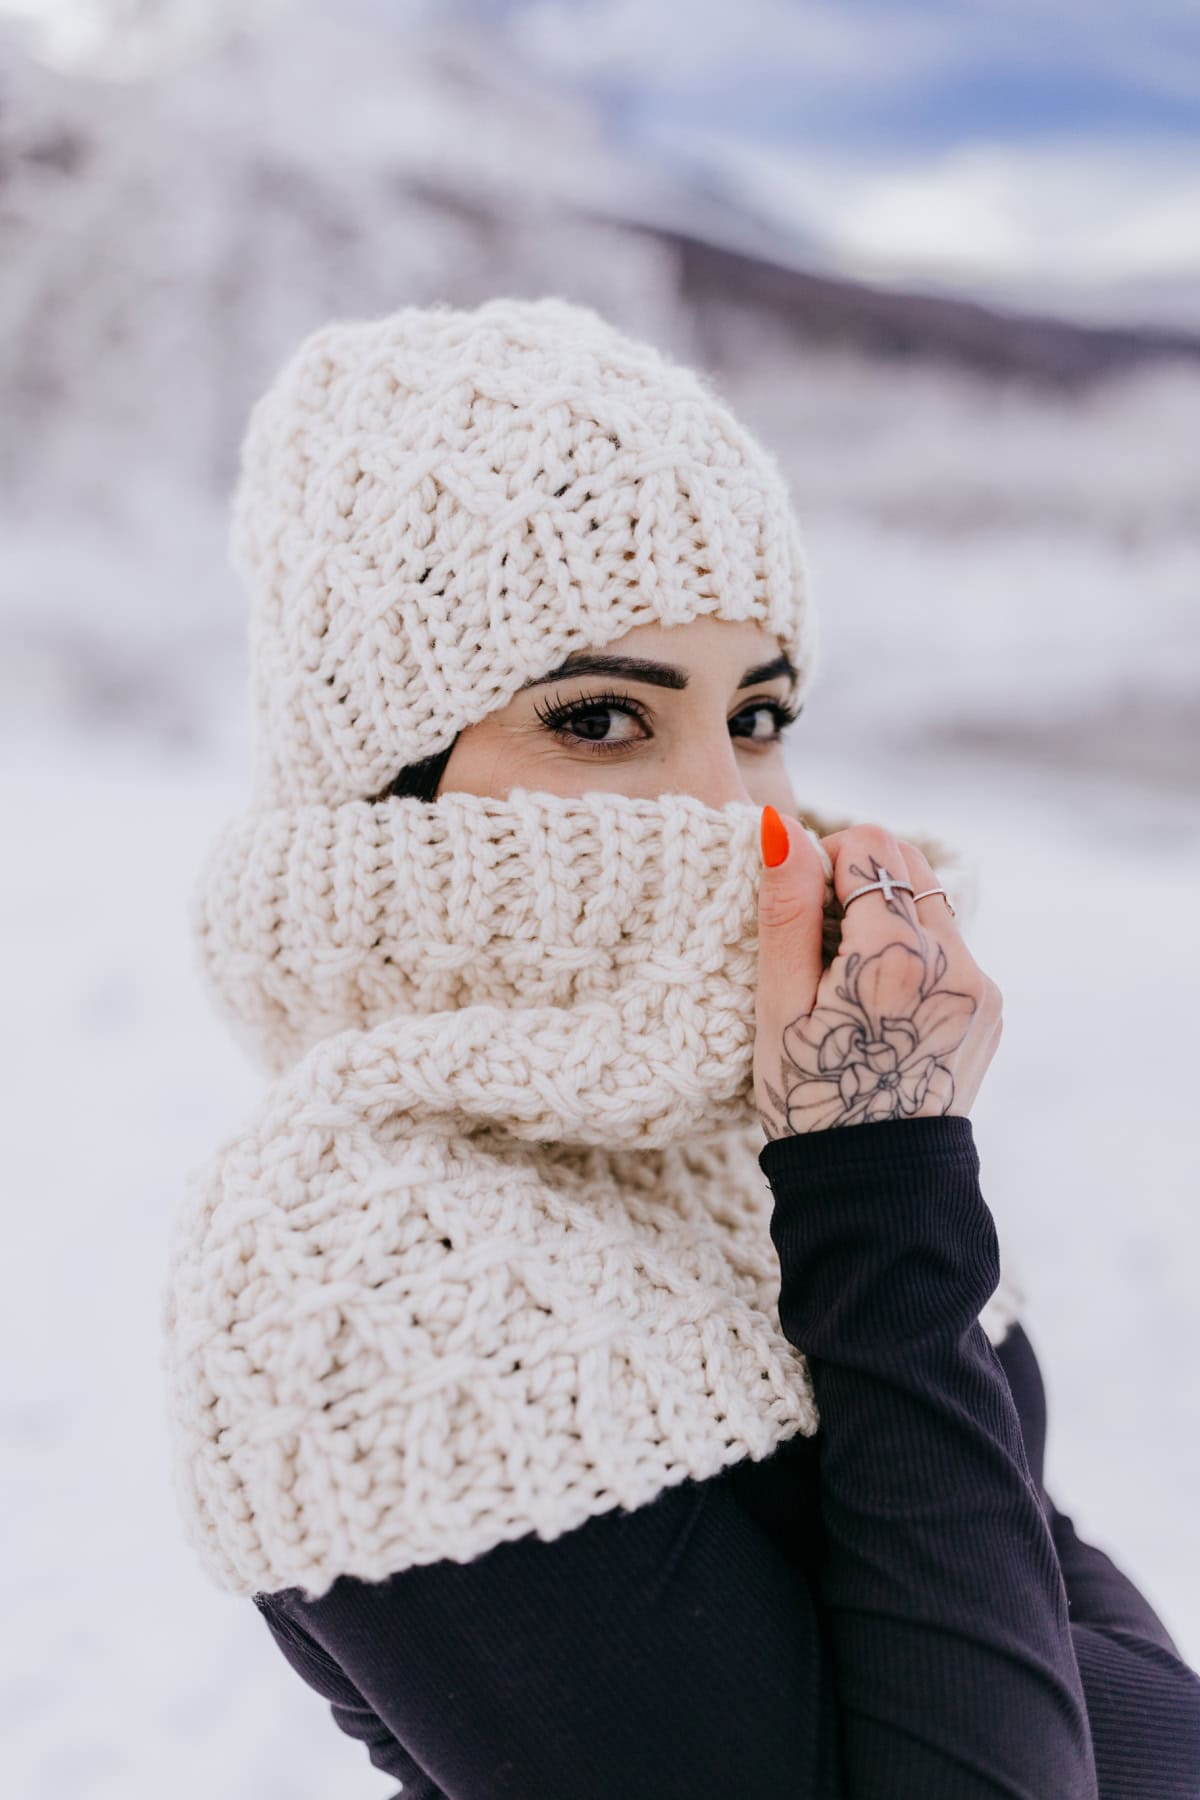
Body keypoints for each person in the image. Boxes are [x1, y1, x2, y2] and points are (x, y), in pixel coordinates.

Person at [161, 297, 1200, 1797]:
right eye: (600, 720)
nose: (728, 808)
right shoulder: (351, 1258)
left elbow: (1064, 1606)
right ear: (386, 781)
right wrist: (883, 1188)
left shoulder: (727, 1125)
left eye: (759, 712)